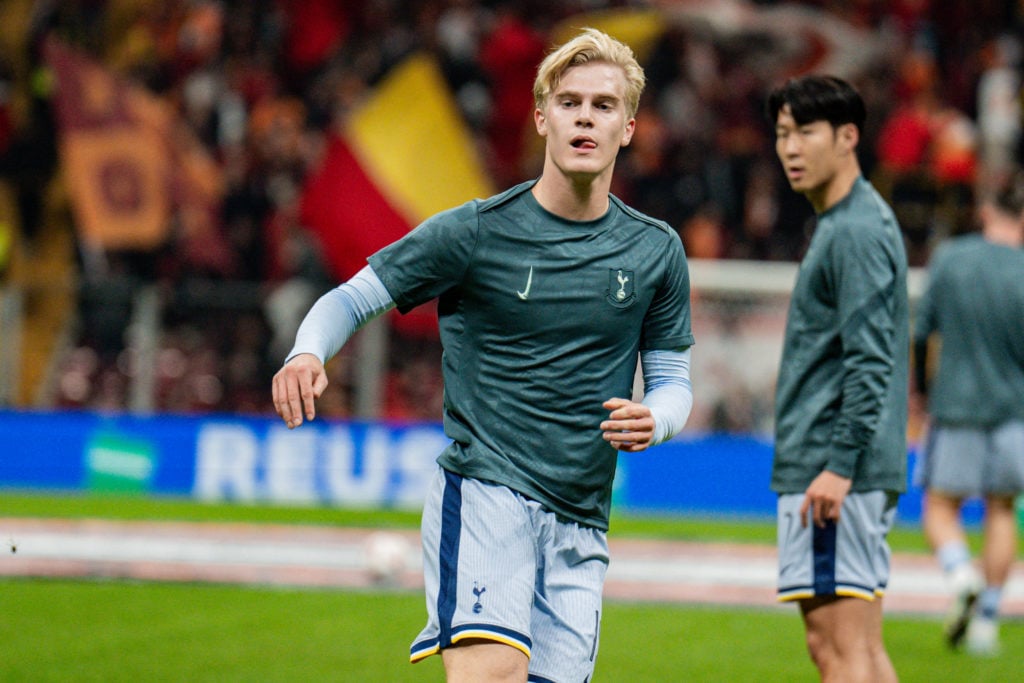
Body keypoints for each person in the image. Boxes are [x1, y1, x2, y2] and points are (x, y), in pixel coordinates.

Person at [272, 28, 695, 682]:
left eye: (604, 105)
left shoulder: (656, 251)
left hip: (582, 520)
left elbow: (672, 381)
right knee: (490, 671)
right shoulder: (475, 232)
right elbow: (350, 299)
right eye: (570, 101)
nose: (585, 115)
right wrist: (306, 353)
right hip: (486, 489)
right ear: (541, 117)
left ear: (629, 127)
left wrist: (656, 418)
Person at [767, 75, 909, 682]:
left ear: (848, 137)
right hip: (845, 467)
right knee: (863, 652)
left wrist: (840, 464)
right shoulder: (851, 221)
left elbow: (871, 359)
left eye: (804, 132)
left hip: (833, 469)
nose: (790, 148)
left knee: (837, 651)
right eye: (781, 134)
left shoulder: (853, 229)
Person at [912, 174, 1024, 656]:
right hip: (1015, 409)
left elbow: (921, 333)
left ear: (985, 211)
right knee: (1002, 510)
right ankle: (986, 622)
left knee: (940, 508)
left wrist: (921, 391)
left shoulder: (952, 259)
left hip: (956, 404)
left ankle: (960, 576)